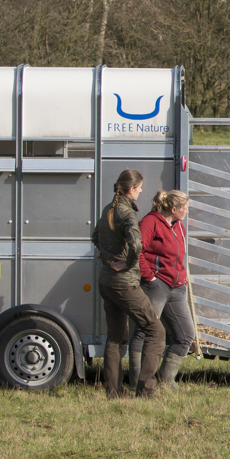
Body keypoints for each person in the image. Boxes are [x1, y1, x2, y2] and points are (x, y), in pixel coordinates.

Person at [90, 168, 163, 398]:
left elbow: (94, 237)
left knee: (116, 337)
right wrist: (128, 264)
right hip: (124, 284)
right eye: (140, 188)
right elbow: (137, 245)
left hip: (106, 283)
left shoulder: (108, 209)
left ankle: (113, 391)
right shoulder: (127, 213)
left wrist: (106, 256)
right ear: (131, 189)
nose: (141, 191)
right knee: (155, 330)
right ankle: (146, 389)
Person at [140, 189, 196, 386]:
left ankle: (166, 381)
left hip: (177, 288)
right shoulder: (150, 222)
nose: (187, 212)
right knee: (146, 332)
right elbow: (136, 250)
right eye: (185, 208)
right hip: (157, 287)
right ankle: (139, 383)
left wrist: (182, 277)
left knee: (186, 335)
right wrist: (149, 277)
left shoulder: (179, 226)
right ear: (174, 209)